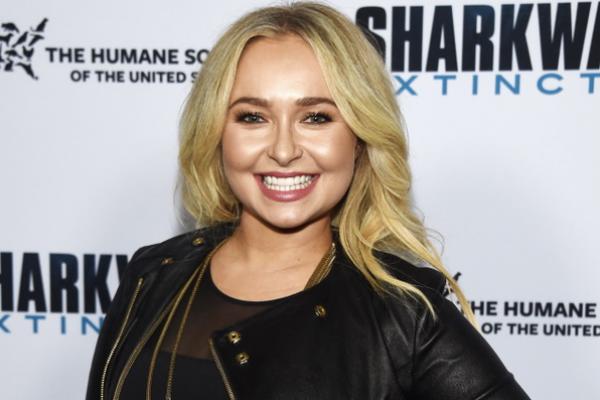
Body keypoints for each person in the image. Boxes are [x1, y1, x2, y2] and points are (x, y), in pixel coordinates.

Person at [85, 2, 531, 399]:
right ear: (217, 133)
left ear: (359, 139)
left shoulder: (403, 315)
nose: (283, 150)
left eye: (316, 117)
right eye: (252, 117)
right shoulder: (153, 275)